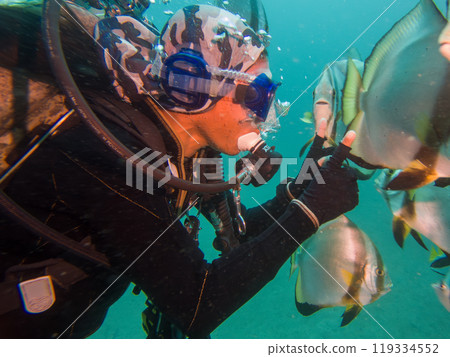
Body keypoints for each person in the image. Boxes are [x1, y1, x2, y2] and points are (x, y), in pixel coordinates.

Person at [0, 0, 359, 338]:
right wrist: (310, 213)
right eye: (256, 95)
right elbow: (196, 303)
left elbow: (239, 237)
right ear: (194, 87)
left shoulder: (191, 154)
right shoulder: (114, 155)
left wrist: (297, 193)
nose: (265, 113)